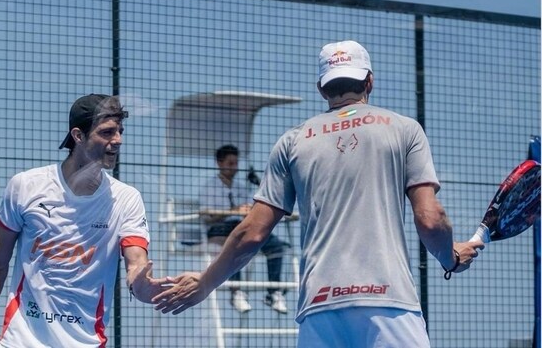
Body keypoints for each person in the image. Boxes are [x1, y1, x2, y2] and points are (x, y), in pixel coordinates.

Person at [154, 40, 485, 347]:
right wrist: (450, 258)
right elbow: (430, 217)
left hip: (319, 306)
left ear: (321, 89)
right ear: (369, 81)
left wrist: (206, 283)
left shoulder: (293, 141)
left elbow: (251, 233)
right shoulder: (404, 129)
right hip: (388, 302)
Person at [0, 94, 182, 348]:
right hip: (19, 341)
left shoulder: (126, 199)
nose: (118, 140)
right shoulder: (25, 186)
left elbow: (136, 265)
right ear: (78, 136)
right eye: (107, 132)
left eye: (120, 131)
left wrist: (144, 285)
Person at [199, 144, 289, 314]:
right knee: (235, 243)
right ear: (220, 163)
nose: (235, 168)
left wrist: (251, 211)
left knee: (277, 246)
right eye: (230, 163)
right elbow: (206, 215)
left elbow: (250, 210)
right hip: (220, 228)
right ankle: (237, 292)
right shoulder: (209, 187)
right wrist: (233, 211)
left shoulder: (241, 187)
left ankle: (274, 292)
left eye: (236, 163)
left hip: (243, 225)